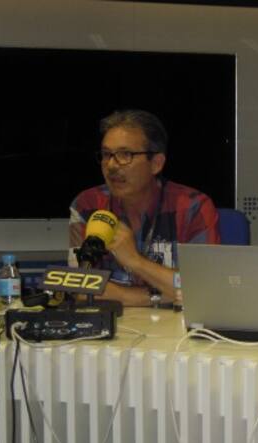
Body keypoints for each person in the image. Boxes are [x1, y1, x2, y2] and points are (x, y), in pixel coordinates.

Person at [69, 109, 220, 307]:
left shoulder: (193, 207)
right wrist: (158, 295)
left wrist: (135, 261)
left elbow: (206, 288)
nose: (111, 165)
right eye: (106, 154)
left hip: (176, 325)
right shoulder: (88, 205)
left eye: (125, 155)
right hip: (117, 323)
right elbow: (79, 289)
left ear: (156, 163)